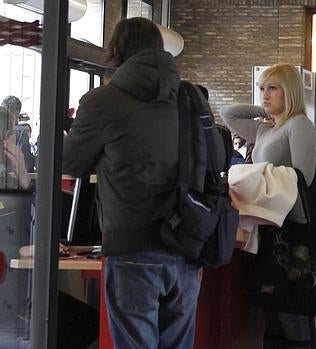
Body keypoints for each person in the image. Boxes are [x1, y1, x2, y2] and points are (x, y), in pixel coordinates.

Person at [63, 17, 201, 349]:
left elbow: (71, 163)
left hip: (132, 242)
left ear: (116, 51)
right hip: (188, 242)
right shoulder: (190, 97)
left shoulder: (102, 101)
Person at [221, 63, 316, 349]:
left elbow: (303, 179)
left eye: (273, 88)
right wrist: (264, 110)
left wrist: (258, 177)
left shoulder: (299, 124)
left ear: (290, 91)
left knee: (291, 306)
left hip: (292, 226)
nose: (265, 94)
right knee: (271, 306)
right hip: (267, 223)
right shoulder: (266, 129)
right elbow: (229, 114)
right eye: (262, 88)